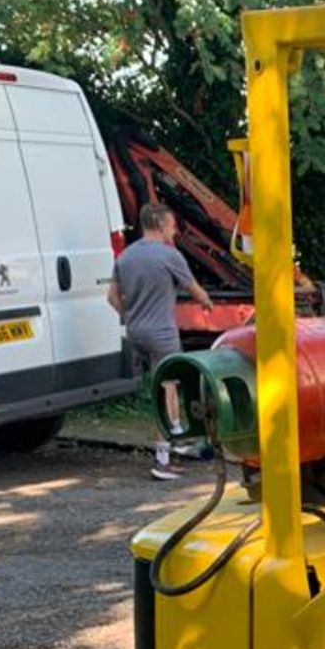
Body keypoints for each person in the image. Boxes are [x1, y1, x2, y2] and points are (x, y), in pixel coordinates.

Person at [109, 202, 214, 479]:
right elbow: (196, 291)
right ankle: (163, 459)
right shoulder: (170, 256)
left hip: (135, 331)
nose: (175, 230)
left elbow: (111, 297)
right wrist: (207, 303)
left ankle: (177, 444)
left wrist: (129, 314)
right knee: (167, 389)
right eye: (172, 225)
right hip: (162, 333)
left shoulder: (125, 257)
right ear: (159, 224)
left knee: (161, 387)